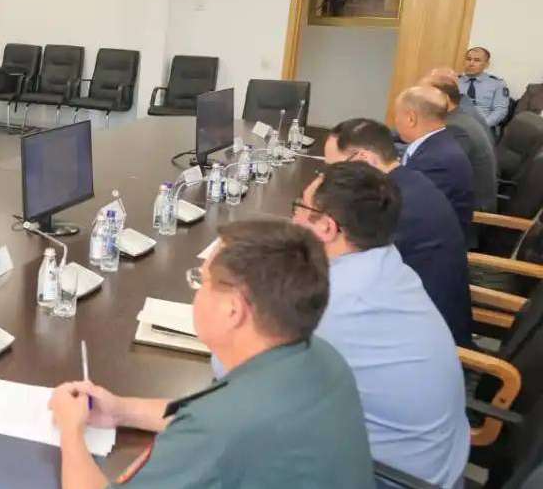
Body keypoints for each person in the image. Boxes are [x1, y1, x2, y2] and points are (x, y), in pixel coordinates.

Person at [49, 220, 372, 489]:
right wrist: (121, 411)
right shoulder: (322, 357)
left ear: (233, 310)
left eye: (201, 281)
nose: (196, 292)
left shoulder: (219, 428)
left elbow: (217, 426)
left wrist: (71, 431)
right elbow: (213, 417)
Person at [292, 163, 470, 487]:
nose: (293, 219)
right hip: (440, 468)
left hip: (390, 478)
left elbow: (240, 374)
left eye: (301, 208)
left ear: (328, 228)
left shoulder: (335, 305)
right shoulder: (388, 263)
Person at [325, 119, 473, 346]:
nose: (330, 179)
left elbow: (347, 274)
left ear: (364, 160)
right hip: (419, 316)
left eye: (335, 169)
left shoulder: (392, 207)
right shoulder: (408, 181)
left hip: (423, 339)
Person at [393, 85, 475, 232]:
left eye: (397, 115)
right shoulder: (437, 144)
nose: (395, 121)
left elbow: (407, 212)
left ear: (411, 118)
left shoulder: (437, 160)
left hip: (428, 247)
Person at [420, 70, 497, 214]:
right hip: (462, 203)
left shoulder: (455, 127)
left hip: (470, 214)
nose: (418, 102)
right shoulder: (457, 117)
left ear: (444, 99)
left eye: (423, 96)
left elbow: (434, 171)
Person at [458, 46, 510, 130]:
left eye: (477, 60)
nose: (471, 63)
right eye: (468, 59)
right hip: (456, 125)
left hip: (483, 127)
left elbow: (500, 111)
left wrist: (480, 126)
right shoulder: (455, 81)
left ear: (486, 64)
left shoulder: (497, 83)